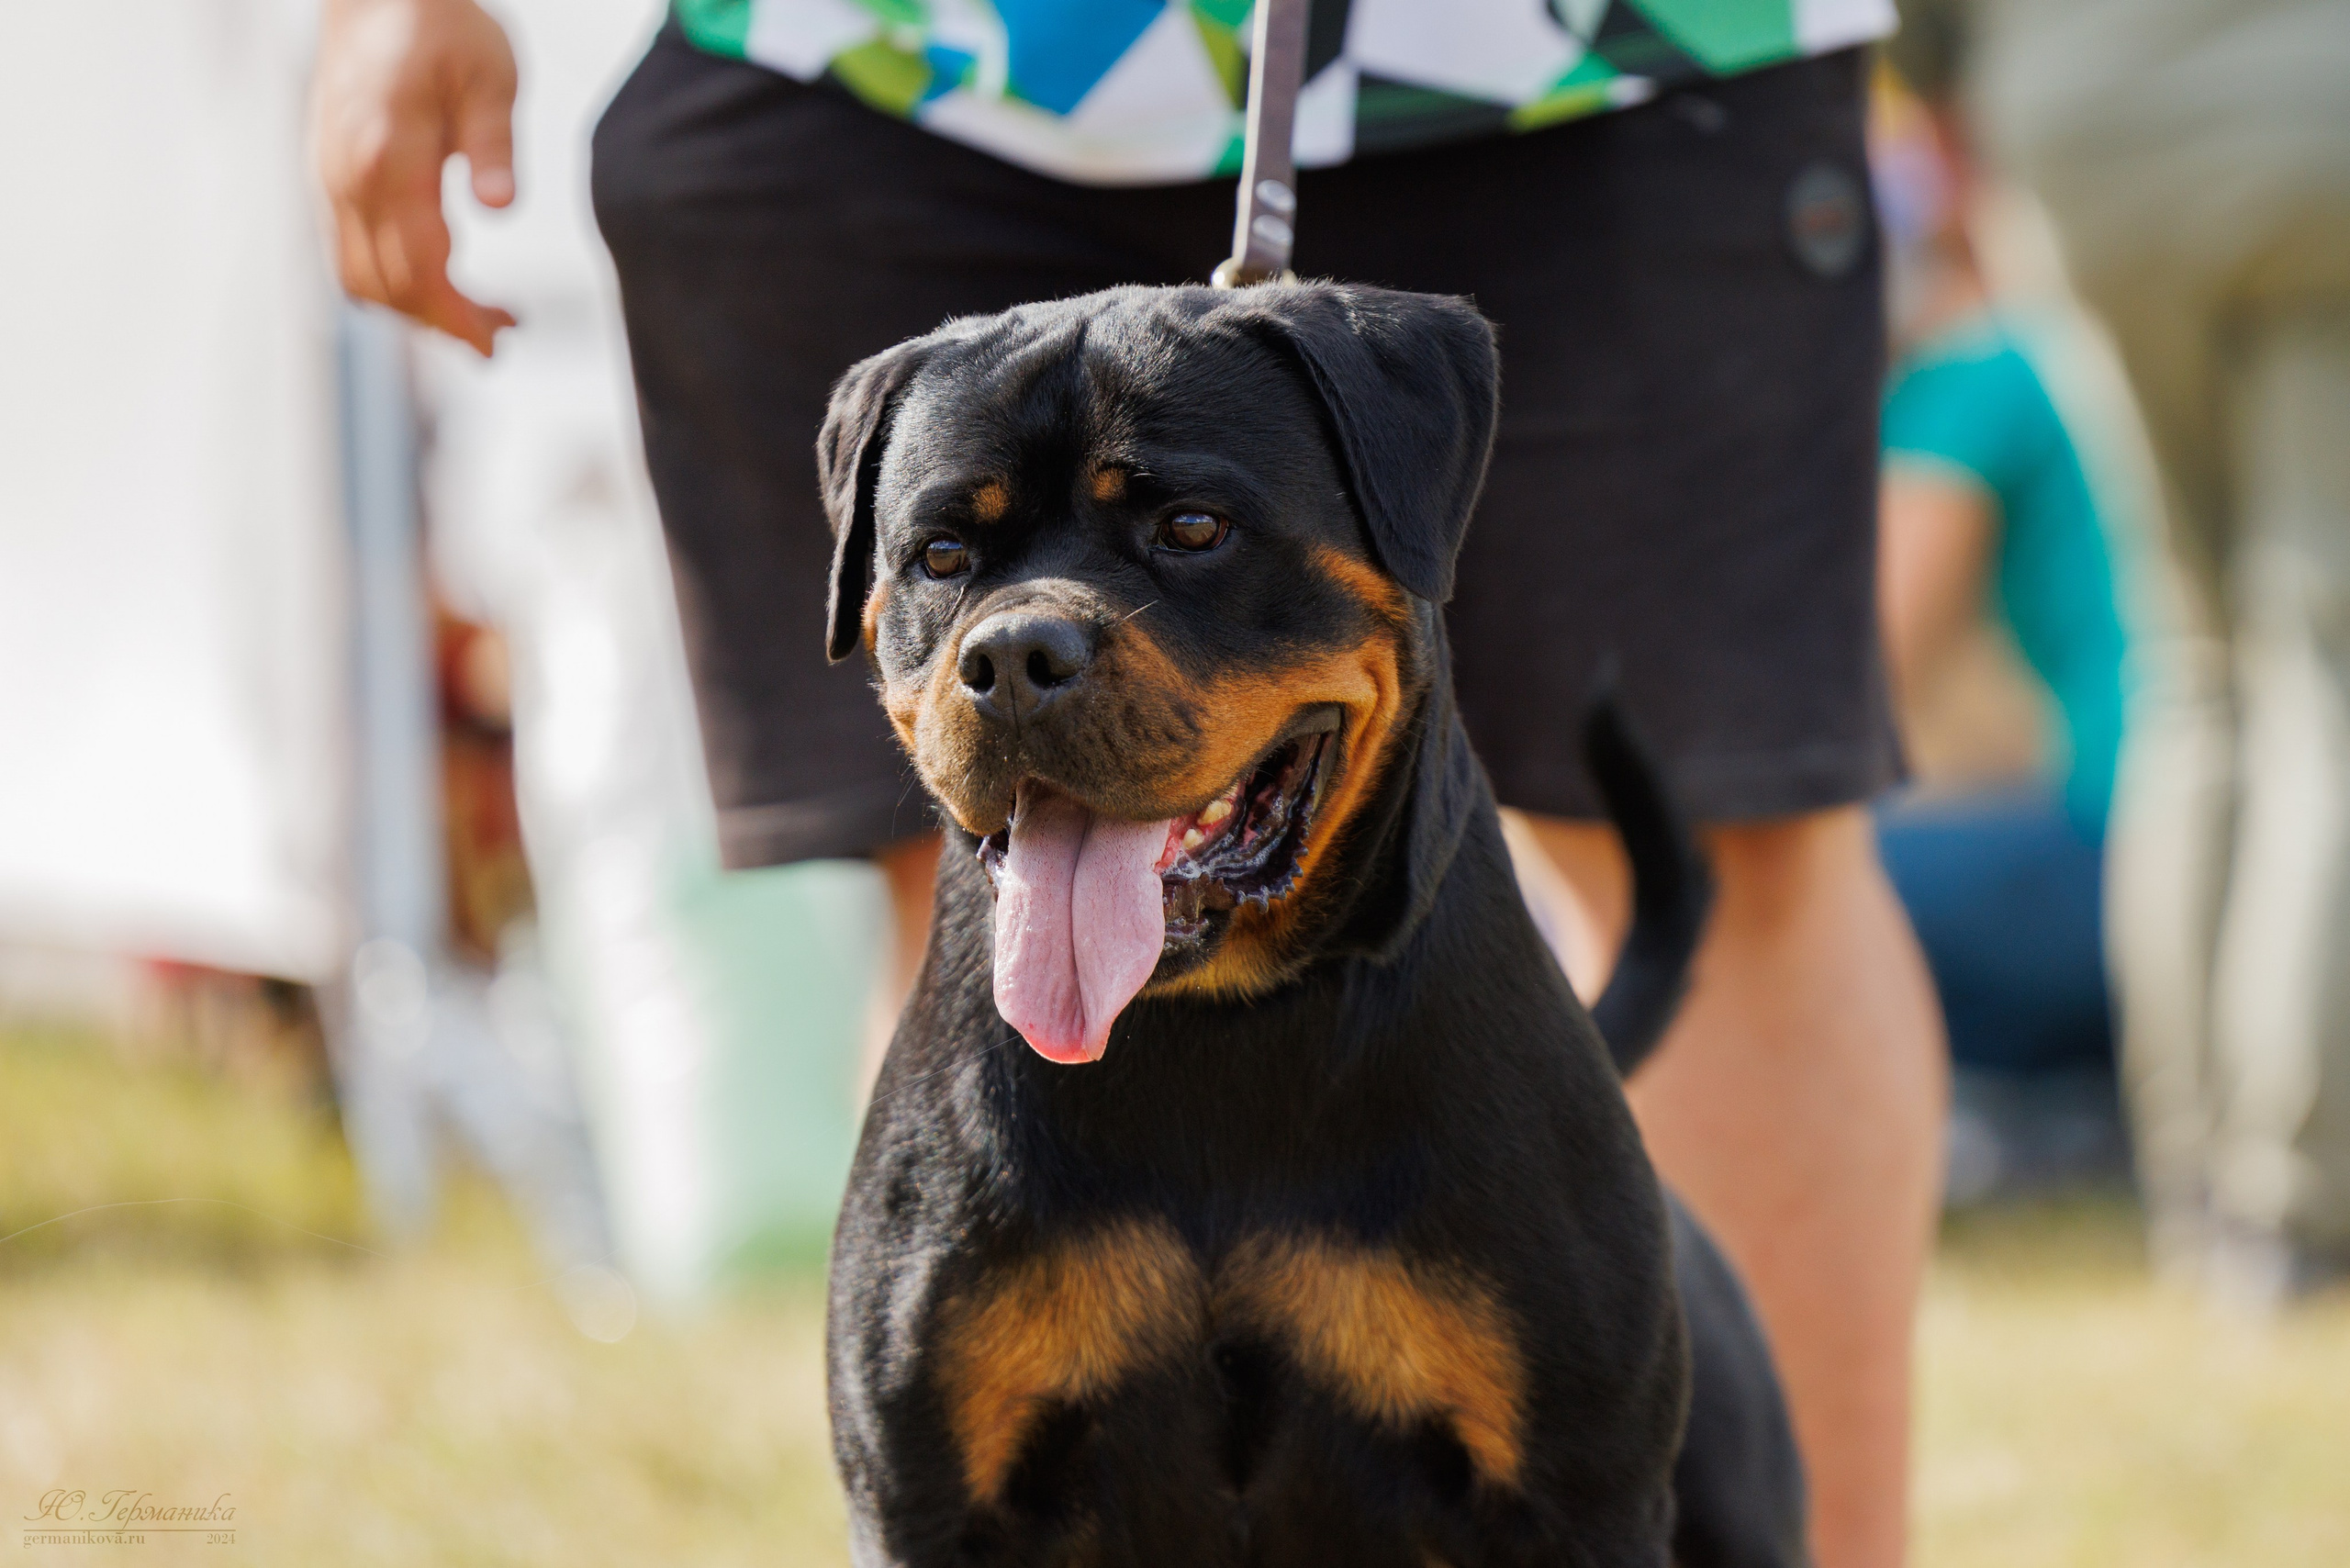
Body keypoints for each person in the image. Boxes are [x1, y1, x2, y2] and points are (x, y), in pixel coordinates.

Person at [312, 3, 1947, 1562]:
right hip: (870, 48)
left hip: (1574, 48)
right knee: (928, 915)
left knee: (1745, 839)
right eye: (947, 563)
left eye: (1189, 533)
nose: (1024, 643)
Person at [1897, 0, 2350, 1303]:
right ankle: (2300, 1205)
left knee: (2191, 666)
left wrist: (1958, 123)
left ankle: (2198, 1190)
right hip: (2317, 120)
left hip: (2079, 142)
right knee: (2321, 667)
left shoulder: (1970, 370)